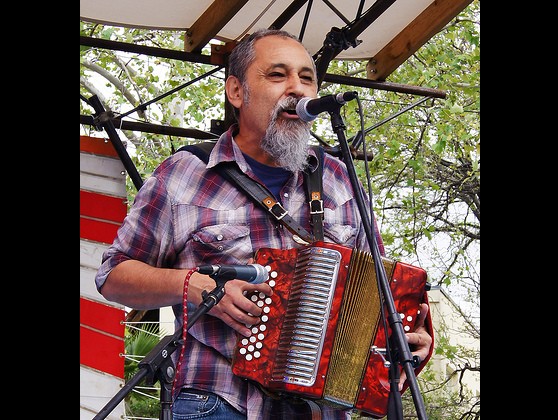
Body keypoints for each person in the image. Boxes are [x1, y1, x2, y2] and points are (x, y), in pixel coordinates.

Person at [95, 28, 432, 420]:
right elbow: (114, 274)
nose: (297, 88)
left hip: (320, 410)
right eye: (278, 75)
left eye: (307, 78)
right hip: (218, 401)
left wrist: (414, 338)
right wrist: (193, 286)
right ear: (236, 92)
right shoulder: (185, 173)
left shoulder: (339, 178)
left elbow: (378, 292)